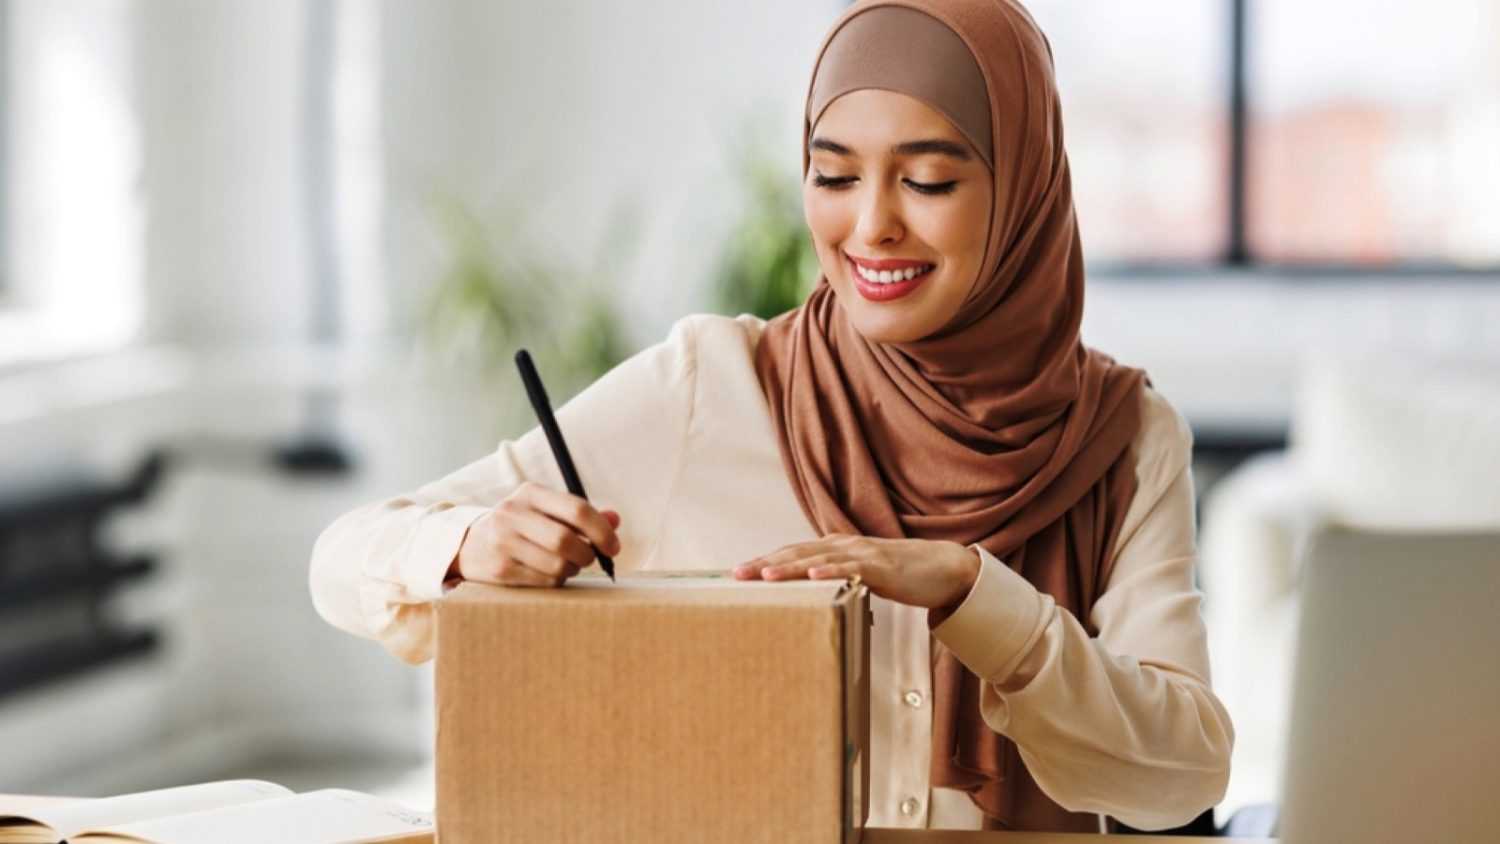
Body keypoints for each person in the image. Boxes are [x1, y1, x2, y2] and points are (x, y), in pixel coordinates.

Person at [308, 0, 1233, 833]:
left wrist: (970, 592)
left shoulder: (1125, 435)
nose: (871, 226)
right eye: (834, 177)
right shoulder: (713, 383)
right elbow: (344, 557)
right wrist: (471, 543)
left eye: (930, 182)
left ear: (1025, 188)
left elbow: (1184, 777)